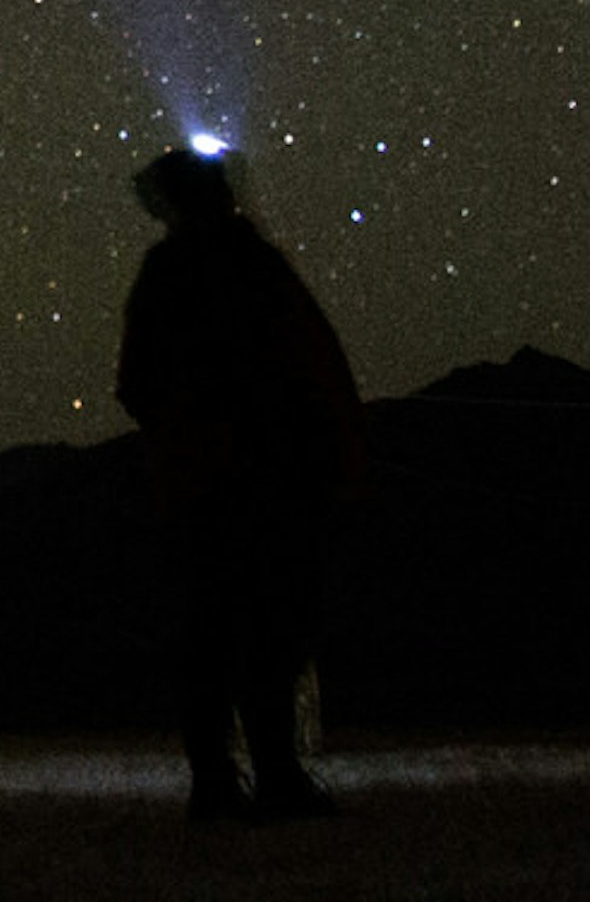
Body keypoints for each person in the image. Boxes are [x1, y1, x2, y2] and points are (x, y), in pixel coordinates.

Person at [115, 144, 364, 823]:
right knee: (266, 633)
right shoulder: (253, 268)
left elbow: (135, 381)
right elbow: (313, 364)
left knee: (212, 637)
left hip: (204, 488)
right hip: (267, 485)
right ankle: (273, 777)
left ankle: (221, 783)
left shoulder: (170, 274)